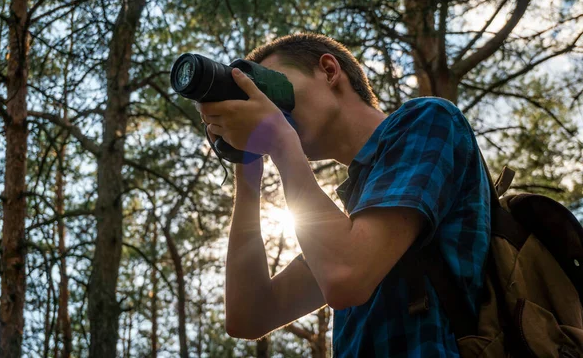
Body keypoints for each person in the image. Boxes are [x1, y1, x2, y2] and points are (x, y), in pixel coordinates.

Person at [197, 33, 491, 357]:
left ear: (329, 70)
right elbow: (249, 316)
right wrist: (247, 166)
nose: (269, 110)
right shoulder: (352, 223)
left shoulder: (429, 119)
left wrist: (280, 141)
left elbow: (345, 277)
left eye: (270, 90)